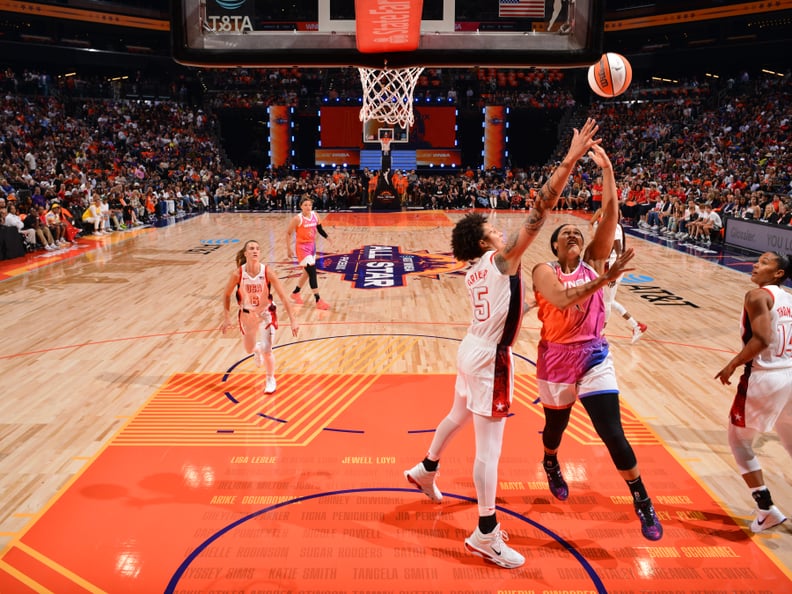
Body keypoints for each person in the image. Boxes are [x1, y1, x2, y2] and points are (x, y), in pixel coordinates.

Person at [403, 118, 602, 569]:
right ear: (485, 239)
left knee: (456, 415)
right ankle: (485, 533)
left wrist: (535, 307)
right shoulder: (502, 258)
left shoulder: (477, 271)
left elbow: (505, 309)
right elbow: (540, 209)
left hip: (471, 347)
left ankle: (425, 469)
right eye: (492, 226)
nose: (500, 227)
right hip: (491, 359)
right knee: (488, 449)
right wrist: (569, 161)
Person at [531, 143, 664, 541]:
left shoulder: (593, 261)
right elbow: (562, 299)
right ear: (555, 246)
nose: (573, 234)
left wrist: (607, 172)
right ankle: (551, 461)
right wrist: (605, 280)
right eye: (565, 233)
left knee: (612, 432)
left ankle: (642, 501)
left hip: (593, 356)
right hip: (555, 359)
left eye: (577, 232)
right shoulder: (543, 270)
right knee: (556, 427)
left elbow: (609, 218)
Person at [714, 251, 792, 533]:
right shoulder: (789, 299)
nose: (755, 265)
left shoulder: (757, 296)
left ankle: (766, 508)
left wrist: (731, 364)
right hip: (790, 373)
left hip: (765, 377)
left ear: (778, 273)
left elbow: (762, 339)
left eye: (764, 263)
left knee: (739, 441)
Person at [221, 240, 299, 394]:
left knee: (268, 350)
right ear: (245, 253)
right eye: (251, 248)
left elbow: (283, 297)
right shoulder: (238, 274)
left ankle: (270, 378)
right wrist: (226, 317)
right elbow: (226, 295)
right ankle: (257, 350)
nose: (255, 251)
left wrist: (293, 320)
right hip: (247, 315)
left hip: (266, 314)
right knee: (249, 349)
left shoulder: (267, 272)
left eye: (257, 248)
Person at [590, 207, 648, 343]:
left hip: (614, 266)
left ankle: (600, 333)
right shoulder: (606, 225)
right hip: (609, 266)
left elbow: (618, 250)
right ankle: (637, 325)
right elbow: (592, 222)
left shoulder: (614, 227)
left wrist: (613, 273)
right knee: (607, 299)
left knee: (606, 302)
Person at [286, 195, 332, 310]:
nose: (308, 207)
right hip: (302, 248)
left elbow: (320, 229)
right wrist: (288, 249)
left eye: (310, 205)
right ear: (300, 206)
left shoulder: (315, 215)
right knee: (312, 272)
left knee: (306, 273)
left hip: (312, 246)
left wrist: (328, 237)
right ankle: (318, 299)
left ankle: (295, 293)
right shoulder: (297, 219)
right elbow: (288, 233)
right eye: (305, 205)